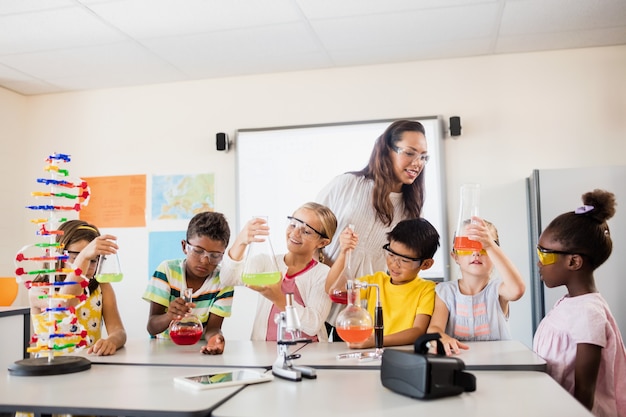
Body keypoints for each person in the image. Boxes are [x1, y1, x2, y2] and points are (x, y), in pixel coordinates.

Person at [316, 120, 429, 338]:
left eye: (424, 156)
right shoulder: (347, 184)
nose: (418, 162)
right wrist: (332, 272)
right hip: (319, 294)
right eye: (410, 153)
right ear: (387, 150)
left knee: (353, 368)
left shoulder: (412, 210)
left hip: (361, 307)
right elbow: (309, 229)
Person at [532, 190, 625, 417]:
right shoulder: (570, 303)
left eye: (545, 255)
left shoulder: (588, 313)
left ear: (573, 261)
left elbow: (585, 393)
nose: (539, 263)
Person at [219, 202, 337, 342]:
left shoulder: (322, 274)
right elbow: (227, 278)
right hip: (264, 352)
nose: (295, 233)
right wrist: (241, 241)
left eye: (306, 231)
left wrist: (278, 298)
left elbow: (313, 325)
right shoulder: (266, 262)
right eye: (293, 224)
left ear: (322, 243)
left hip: (308, 354)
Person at [326, 218, 439, 348]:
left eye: (404, 260)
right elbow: (333, 289)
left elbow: (417, 331)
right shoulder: (376, 281)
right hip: (373, 352)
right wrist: (344, 252)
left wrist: (377, 340)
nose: (394, 264)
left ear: (426, 264)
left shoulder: (426, 289)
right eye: (391, 255)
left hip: (405, 354)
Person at [426, 217, 526, 356]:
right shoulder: (445, 291)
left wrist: (491, 245)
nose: (476, 252)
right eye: (467, 247)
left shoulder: (498, 290)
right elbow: (434, 328)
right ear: (455, 257)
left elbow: (517, 290)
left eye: (483, 247)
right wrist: (441, 338)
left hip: (498, 364)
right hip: (458, 363)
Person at [29, 220, 126, 356]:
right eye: (78, 258)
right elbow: (65, 303)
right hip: (49, 371)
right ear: (59, 256)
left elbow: (118, 331)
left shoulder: (102, 287)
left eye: (93, 260)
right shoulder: (39, 289)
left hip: (87, 367)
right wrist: (85, 257)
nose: (85, 266)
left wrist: (111, 341)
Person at [143, 211, 234, 355]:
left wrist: (215, 339)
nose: (205, 260)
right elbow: (152, 327)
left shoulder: (223, 281)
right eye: (198, 251)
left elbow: (212, 329)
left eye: (215, 256)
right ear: (184, 246)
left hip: (199, 352)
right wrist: (169, 316)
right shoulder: (167, 271)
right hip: (161, 352)